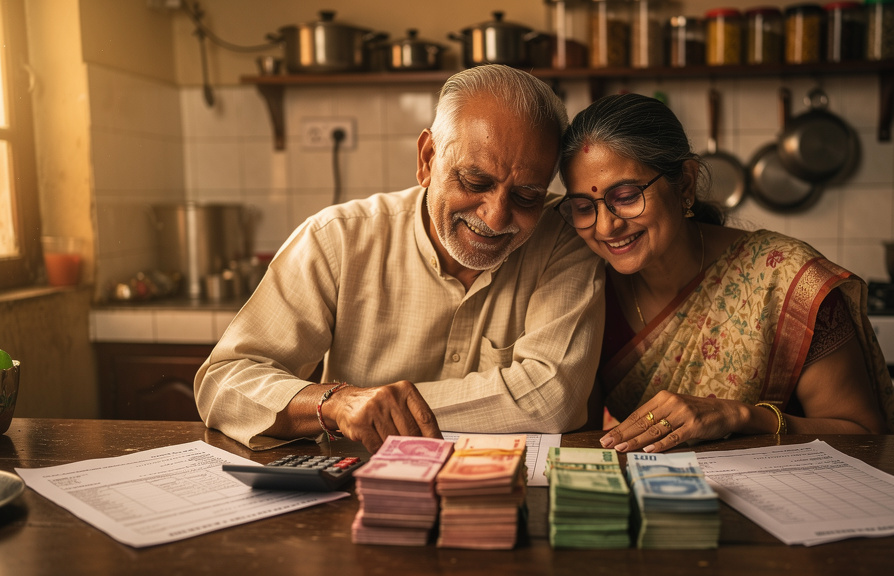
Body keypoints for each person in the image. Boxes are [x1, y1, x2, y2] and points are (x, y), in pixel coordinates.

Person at [195, 65, 605, 453]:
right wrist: (336, 404)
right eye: (475, 181)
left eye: (527, 196)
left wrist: (378, 407)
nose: (496, 217)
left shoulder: (565, 237)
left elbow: (554, 397)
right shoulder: (336, 239)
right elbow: (224, 382)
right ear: (427, 158)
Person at [555, 93, 894, 453]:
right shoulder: (587, 285)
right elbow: (584, 435)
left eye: (626, 196)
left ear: (685, 184)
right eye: (583, 206)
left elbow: (865, 437)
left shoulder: (784, 281)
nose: (606, 227)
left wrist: (744, 417)